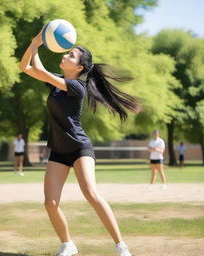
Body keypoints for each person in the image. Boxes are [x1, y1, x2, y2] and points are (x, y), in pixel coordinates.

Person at [19, 27, 140, 256]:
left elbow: (41, 71)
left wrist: (37, 43)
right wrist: (34, 44)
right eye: (67, 53)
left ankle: (120, 245)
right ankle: (67, 244)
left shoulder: (77, 87)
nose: (64, 55)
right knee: (50, 203)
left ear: (79, 68)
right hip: (58, 150)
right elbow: (25, 67)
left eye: (71, 55)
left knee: (90, 193)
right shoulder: (56, 85)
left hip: (79, 147)